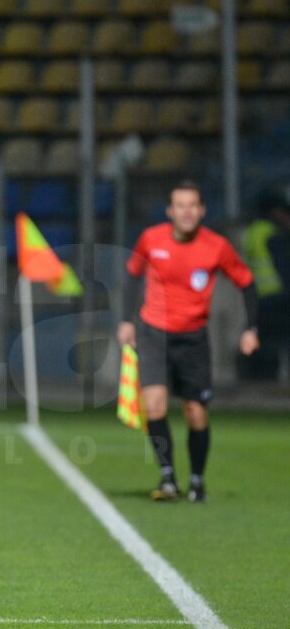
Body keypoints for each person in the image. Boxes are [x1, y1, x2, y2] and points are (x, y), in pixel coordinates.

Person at [116, 180, 259, 503]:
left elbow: (247, 283)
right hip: (154, 333)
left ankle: (197, 480)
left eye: (192, 205)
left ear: (202, 210)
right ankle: (167, 477)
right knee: (154, 404)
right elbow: (132, 274)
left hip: (193, 339)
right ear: (170, 211)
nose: (186, 212)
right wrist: (127, 319)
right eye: (180, 206)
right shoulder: (151, 239)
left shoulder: (216, 246)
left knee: (196, 413)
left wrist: (251, 329)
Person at [239, 185, 290, 381]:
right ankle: (269, 384)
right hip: (279, 296)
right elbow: (284, 268)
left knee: (264, 341)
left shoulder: (253, 232)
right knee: (275, 343)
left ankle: (258, 381)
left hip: (260, 297)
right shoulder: (273, 234)